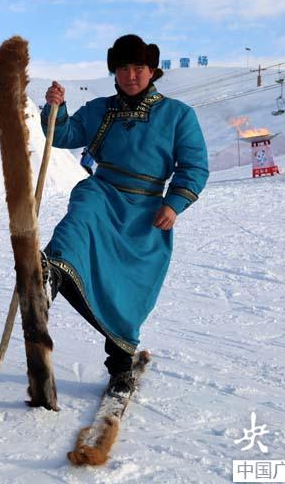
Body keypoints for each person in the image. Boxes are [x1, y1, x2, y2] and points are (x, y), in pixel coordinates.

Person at [40, 34, 209, 397]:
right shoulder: (100, 110)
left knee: (129, 295)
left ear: (152, 70)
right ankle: (46, 280)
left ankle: (119, 367)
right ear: (114, 72)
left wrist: (173, 204)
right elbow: (64, 135)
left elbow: (194, 166)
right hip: (104, 191)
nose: (131, 75)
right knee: (79, 220)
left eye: (138, 67)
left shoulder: (178, 115)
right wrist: (56, 108)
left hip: (148, 208)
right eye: (123, 68)